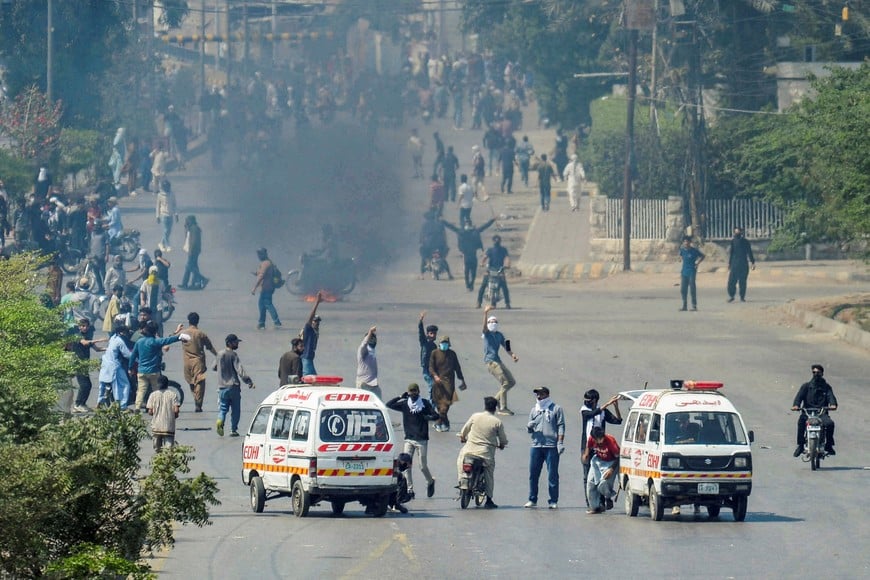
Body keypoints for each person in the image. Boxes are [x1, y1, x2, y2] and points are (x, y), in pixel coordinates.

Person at [386, 384, 439, 500]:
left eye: (415, 391)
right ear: (408, 393)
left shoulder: (424, 403)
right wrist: (400, 397)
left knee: (422, 466)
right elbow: (388, 404)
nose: (413, 393)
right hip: (409, 439)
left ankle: (430, 481)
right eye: (411, 391)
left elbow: (436, 415)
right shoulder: (405, 404)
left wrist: (428, 418)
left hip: (422, 440)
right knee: (406, 465)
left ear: (418, 391)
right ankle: (410, 490)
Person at [457, 396, 508, 509]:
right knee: (489, 474)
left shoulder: (475, 416)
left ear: (485, 406)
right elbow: (503, 439)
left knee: (460, 462)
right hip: (485, 454)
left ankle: (461, 482)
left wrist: (463, 438)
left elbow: (464, 431)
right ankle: (489, 500)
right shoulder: (497, 422)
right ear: (495, 408)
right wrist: (502, 445)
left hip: (469, 450)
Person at [129, 320, 188, 411]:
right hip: (154, 371)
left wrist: (130, 368)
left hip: (141, 371)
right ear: (155, 332)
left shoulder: (139, 342)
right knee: (156, 391)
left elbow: (133, 356)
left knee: (141, 390)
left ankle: (137, 407)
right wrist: (179, 337)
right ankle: (156, 407)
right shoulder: (155, 342)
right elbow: (167, 340)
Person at [524, 386, 566, 509]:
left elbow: (561, 426)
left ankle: (553, 500)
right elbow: (529, 429)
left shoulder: (556, 409)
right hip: (536, 445)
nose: (539, 396)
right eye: (537, 394)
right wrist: (529, 427)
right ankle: (532, 499)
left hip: (551, 446)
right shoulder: (534, 410)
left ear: (547, 394)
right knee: (533, 474)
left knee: (552, 474)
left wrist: (560, 442)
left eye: (541, 394)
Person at [579, 389, 622, 506]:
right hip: (587, 446)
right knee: (587, 475)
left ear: (595, 400)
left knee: (601, 474)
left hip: (601, 446)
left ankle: (602, 501)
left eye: (589, 400)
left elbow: (618, 421)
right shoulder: (584, 410)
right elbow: (592, 414)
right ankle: (590, 502)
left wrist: (616, 407)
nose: (586, 402)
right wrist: (607, 403)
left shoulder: (603, 412)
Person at [792, 364, 838, 457]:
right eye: (814, 372)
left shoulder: (826, 387)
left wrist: (833, 405)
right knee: (801, 422)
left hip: (821, 413)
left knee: (830, 424)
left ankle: (829, 446)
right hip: (808, 413)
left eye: (818, 373)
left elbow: (831, 397)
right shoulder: (806, 386)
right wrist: (796, 405)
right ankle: (800, 446)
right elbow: (799, 397)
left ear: (822, 374)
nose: (816, 374)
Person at [215, 333, 255, 437]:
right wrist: (249, 381)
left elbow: (214, 367)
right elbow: (240, 371)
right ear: (229, 343)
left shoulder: (219, 354)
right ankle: (233, 430)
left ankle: (220, 420)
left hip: (222, 387)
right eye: (236, 342)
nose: (237, 344)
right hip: (233, 386)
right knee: (236, 410)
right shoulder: (233, 355)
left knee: (223, 408)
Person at [481, 305, 518, 415]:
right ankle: (502, 408)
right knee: (505, 382)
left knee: (511, 382)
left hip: (498, 361)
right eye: (491, 322)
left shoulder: (500, 335)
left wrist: (513, 355)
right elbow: (484, 327)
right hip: (491, 362)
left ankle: (495, 400)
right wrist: (485, 313)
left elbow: (507, 346)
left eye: (495, 321)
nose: (493, 323)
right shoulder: (486, 334)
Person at [443, 218, 496, 293]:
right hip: (473, 255)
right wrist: (492, 220)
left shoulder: (462, 232)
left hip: (467, 255)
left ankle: (468, 286)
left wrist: (443, 221)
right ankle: (470, 285)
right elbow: (484, 226)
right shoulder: (475, 231)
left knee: (467, 271)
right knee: (473, 271)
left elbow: (452, 227)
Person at [429, 335, 467, 432]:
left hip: (449, 383)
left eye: (446, 343)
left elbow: (457, 368)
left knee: (445, 405)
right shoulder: (434, 353)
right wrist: (435, 376)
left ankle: (438, 422)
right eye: (443, 343)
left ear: (449, 344)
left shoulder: (452, 354)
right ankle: (445, 423)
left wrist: (462, 380)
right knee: (438, 405)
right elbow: (431, 367)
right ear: (439, 343)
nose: (444, 345)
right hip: (437, 383)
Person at [182, 312, 218, 412]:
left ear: (188, 321)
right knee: (199, 382)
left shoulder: (183, 333)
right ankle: (198, 403)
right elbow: (210, 347)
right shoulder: (201, 334)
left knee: (190, 381)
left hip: (187, 361)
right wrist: (217, 355)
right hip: (198, 361)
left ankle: (196, 399)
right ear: (198, 321)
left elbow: (171, 338)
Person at [68, 318, 106, 413]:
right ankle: (77, 405)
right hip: (79, 364)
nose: (84, 328)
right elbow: (84, 343)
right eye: (82, 326)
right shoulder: (77, 335)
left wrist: (109, 348)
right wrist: (99, 340)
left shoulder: (87, 336)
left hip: (85, 364)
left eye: (86, 326)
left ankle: (82, 404)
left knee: (88, 385)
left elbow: (97, 349)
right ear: (79, 327)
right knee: (84, 385)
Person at [583, 426, 620, 514]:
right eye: (597, 439)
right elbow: (588, 446)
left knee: (603, 484)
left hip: (611, 463)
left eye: (601, 439)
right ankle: (594, 507)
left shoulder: (610, 441)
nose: (600, 441)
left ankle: (608, 497)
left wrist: (611, 469)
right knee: (590, 483)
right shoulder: (591, 439)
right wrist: (586, 454)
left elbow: (618, 457)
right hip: (597, 460)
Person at [98, 323, 134, 410]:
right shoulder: (119, 341)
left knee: (103, 384)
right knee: (124, 385)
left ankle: (100, 401)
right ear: (122, 333)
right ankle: (122, 405)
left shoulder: (112, 338)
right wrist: (137, 358)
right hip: (114, 366)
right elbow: (127, 354)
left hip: (105, 363)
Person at [147, 375, 180, 451]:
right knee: (169, 450)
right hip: (169, 426)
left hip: (156, 426)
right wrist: (173, 416)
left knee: (157, 449)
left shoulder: (153, 395)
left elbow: (150, 412)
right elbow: (176, 410)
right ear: (167, 384)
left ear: (158, 384)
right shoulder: (173, 395)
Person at [477, 235, 511, 309]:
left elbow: (507, 258)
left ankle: (507, 303)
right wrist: (482, 263)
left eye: (498, 240)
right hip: (490, 270)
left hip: (500, 270)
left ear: (500, 241)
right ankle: (479, 302)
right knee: (483, 286)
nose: (496, 241)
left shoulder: (503, 250)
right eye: (495, 240)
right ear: (493, 241)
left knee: (504, 287)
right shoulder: (490, 250)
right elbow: (485, 257)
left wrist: (507, 265)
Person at [251, 247, 282, 330]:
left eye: (259, 254)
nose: (258, 256)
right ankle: (261, 323)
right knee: (262, 305)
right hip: (267, 288)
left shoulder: (266, 263)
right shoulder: (268, 262)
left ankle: (276, 322)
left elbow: (262, 276)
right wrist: (256, 273)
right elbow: (261, 273)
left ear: (263, 254)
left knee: (268, 304)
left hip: (266, 288)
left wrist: (254, 288)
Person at [727, 226, 755, 302]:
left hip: (743, 264)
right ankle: (731, 296)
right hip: (734, 264)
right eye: (735, 232)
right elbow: (731, 253)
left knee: (742, 282)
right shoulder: (733, 241)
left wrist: (752, 262)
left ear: (741, 232)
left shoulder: (745, 242)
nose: (737, 234)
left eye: (738, 232)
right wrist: (729, 263)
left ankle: (742, 297)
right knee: (731, 281)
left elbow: (749, 252)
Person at [179, 215, 208, 290]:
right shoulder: (190, 228)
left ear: (191, 221)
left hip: (193, 251)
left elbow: (194, 242)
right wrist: (186, 228)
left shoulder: (194, 229)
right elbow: (187, 237)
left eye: (187, 220)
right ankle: (188, 283)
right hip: (191, 250)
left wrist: (191, 251)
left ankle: (203, 279)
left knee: (189, 267)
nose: (186, 222)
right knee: (192, 267)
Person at [679, 236, 706, 311]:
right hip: (684, 272)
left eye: (687, 241)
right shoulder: (682, 250)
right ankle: (684, 305)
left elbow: (703, 256)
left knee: (692, 288)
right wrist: (680, 259)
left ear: (690, 242)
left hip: (692, 271)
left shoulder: (694, 250)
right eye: (684, 241)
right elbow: (680, 256)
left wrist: (697, 263)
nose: (686, 243)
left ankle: (694, 306)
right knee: (683, 289)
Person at [417, 312, 438, 402]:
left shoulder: (434, 346)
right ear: (428, 334)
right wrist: (421, 321)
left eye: (434, 333)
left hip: (433, 370)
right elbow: (421, 332)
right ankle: (429, 405)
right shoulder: (424, 342)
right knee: (432, 387)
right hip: (426, 369)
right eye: (431, 333)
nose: (433, 335)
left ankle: (432, 403)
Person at [301, 292, 323, 376]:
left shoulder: (315, 332)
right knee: (309, 378)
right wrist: (317, 302)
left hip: (309, 359)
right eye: (315, 321)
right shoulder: (308, 329)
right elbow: (310, 317)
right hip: (306, 358)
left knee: (314, 378)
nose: (317, 323)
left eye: (318, 322)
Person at [356, 326, 380, 399]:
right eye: (371, 338)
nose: (373, 340)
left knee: (379, 403)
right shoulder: (363, 350)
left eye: (374, 338)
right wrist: (370, 331)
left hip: (374, 384)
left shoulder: (372, 350)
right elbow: (364, 343)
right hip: (364, 384)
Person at [87, 224, 109, 295]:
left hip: (101, 256)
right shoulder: (92, 233)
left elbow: (107, 245)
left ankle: (106, 288)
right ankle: (100, 288)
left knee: (103, 273)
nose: (95, 228)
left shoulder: (104, 234)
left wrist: (107, 255)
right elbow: (90, 244)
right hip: (93, 257)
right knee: (96, 273)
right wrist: (89, 253)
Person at [156, 179, 178, 252]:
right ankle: (168, 245)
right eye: (165, 187)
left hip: (170, 215)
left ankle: (161, 243)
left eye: (168, 187)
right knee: (165, 230)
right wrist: (157, 216)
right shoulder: (160, 195)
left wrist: (176, 214)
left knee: (169, 231)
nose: (167, 188)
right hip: (163, 215)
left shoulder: (172, 194)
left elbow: (174, 205)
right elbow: (158, 206)